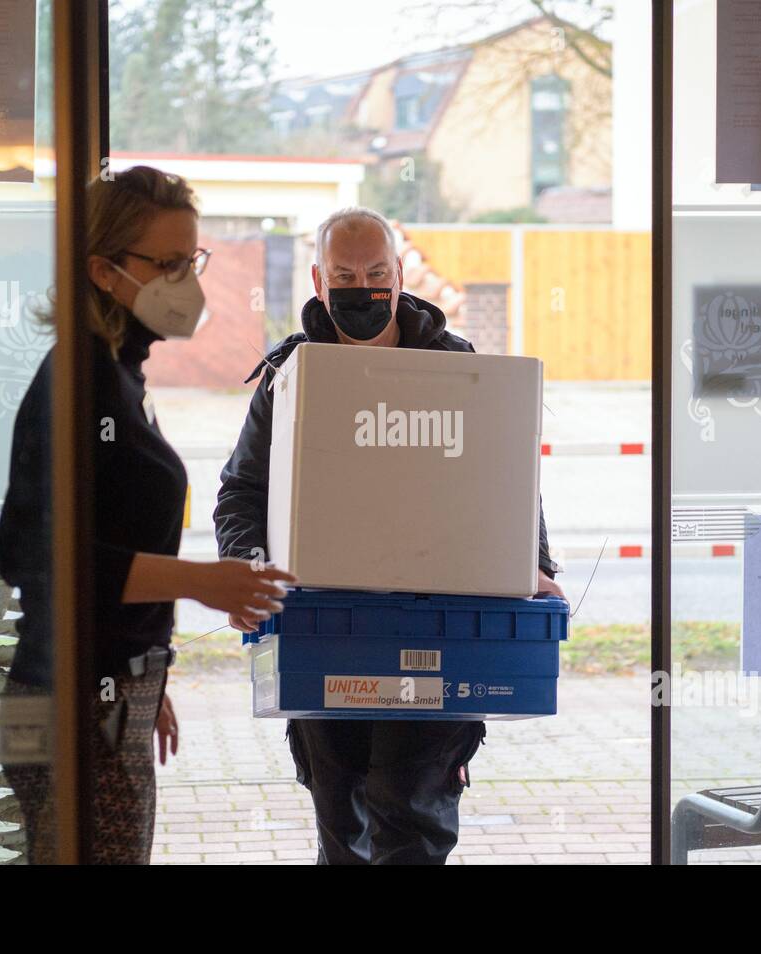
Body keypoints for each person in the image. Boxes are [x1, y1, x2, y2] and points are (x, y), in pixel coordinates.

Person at [214, 206, 564, 865]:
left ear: (400, 274)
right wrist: (249, 564)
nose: (363, 286)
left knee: (411, 821)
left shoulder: (457, 368)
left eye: (377, 272)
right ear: (319, 280)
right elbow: (241, 490)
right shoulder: (290, 376)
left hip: (437, 630)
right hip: (324, 626)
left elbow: (508, 477)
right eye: (345, 274)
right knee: (340, 826)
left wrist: (531, 563)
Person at [0, 165, 296, 864]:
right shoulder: (81, 379)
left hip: (109, 695)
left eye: (190, 262)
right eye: (165, 265)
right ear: (103, 271)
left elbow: (103, 539)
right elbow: (31, 550)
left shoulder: (119, 373)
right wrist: (198, 581)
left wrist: (142, 678)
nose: (185, 282)